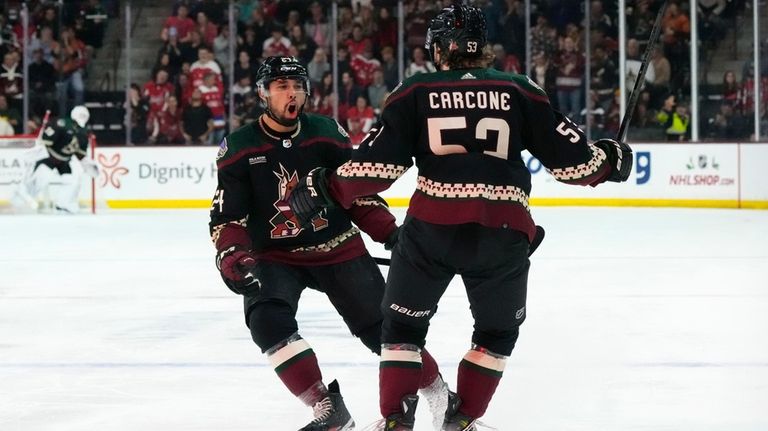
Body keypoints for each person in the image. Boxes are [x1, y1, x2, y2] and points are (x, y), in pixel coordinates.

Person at [287, 5, 633, 430]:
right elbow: (577, 166)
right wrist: (611, 160)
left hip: (431, 230)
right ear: (480, 45)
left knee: (399, 331)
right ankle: (462, 419)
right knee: (495, 335)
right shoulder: (520, 89)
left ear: (439, 46)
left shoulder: (414, 90)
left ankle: (395, 419)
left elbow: (375, 169)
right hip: (503, 233)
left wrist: (325, 185)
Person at [208, 56, 453, 431]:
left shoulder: (326, 133)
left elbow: (355, 193)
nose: (291, 94)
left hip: (338, 247)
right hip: (275, 256)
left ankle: (441, 396)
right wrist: (232, 253)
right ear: (263, 94)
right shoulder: (239, 147)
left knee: (386, 333)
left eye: (297, 86)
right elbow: (229, 216)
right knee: (267, 322)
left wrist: (390, 232)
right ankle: (328, 407)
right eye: (281, 87)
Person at [12, 106, 98, 213]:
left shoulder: (83, 134)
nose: (83, 118)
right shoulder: (62, 123)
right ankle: (21, 196)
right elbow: (45, 141)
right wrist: (39, 148)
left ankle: (62, 204)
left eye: (85, 116)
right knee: (41, 179)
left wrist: (89, 164)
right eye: (81, 115)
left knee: (72, 181)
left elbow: (80, 154)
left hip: (64, 161)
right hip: (49, 158)